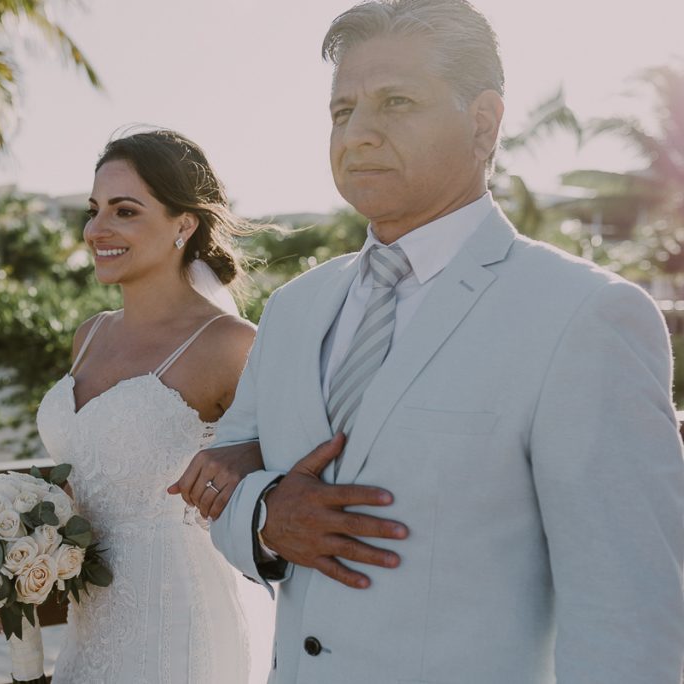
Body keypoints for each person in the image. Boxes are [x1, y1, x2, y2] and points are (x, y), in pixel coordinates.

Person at [176, 1, 684, 682]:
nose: (358, 133)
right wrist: (266, 518)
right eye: (342, 110)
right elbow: (225, 488)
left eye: (396, 101)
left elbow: (630, 618)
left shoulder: (585, 317)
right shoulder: (297, 308)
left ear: (483, 124)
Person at [36, 128, 272, 683]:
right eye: (95, 211)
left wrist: (250, 458)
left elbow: (286, 460)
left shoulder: (228, 343)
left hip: (177, 624)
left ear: (184, 224)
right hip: (88, 620)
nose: (98, 230)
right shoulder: (89, 336)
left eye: (125, 211)